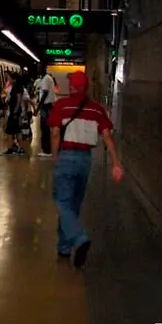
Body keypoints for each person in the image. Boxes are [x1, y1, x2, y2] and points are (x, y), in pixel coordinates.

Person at [48, 71, 124, 267]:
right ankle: (64, 248)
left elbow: (55, 133)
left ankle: (79, 238)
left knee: (62, 202)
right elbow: (107, 137)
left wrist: (55, 156)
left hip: (66, 156)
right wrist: (116, 162)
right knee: (73, 204)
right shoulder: (96, 109)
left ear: (72, 86)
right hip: (85, 160)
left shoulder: (61, 105)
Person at [36, 69, 56, 157]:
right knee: (46, 128)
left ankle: (46, 150)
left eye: (39, 68)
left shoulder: (45, 79)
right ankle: (47, 149)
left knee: (44, 128)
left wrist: (38, 107)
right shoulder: (47, 78)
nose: (37, 69)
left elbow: (45, 93)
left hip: (45, 106)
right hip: (48, 105)